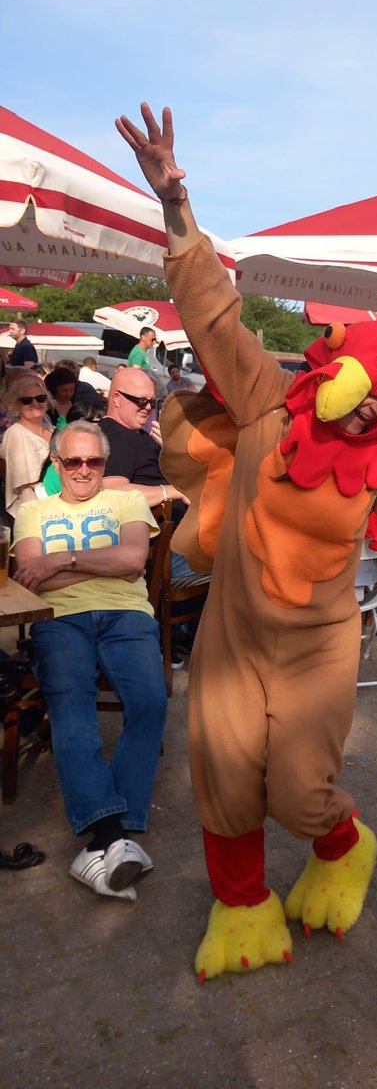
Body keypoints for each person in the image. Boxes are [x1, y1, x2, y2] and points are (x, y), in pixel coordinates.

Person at [117, 101, 377, 980]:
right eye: (371, 388)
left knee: (300, 792)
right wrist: (176, 208)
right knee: (223, 775)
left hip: (316, 645)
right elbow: (213, 319)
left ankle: (344, 847)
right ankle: (240, 907)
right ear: (331, 368)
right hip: (234, 633)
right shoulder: (267, 400)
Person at [12, 421, 168, 900]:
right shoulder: (32, 512)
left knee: (150, 701)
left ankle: (108, 836)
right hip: (60, 620)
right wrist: (102, 560)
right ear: (57, 464)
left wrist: (61, 561)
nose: (83, 470)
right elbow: (28, 581)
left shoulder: (127, 502)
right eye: (73, 461)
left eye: (93, 461)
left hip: (127, 615)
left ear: (104, 463)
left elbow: (132, 562)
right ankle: (110, 837)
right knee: (70, 708)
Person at [98, 367, 186, 510]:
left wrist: (172, 452)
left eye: (152, 402)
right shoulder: (113, 435)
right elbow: (113, 491)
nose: (148, 407)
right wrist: (174, 491)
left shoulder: (136, 434)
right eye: (141, 401)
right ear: (116, 399)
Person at [0, 372, 53, 519]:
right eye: (27, 400)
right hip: (35, 512)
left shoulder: (53, 429)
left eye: (40, 398)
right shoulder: (15, 434)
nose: (35, 403)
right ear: (16, 404)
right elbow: (30, 484)